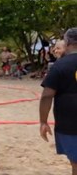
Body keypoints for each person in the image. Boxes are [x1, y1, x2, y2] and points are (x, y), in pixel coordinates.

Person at [39, 27, 77, 175]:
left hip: (69, 123)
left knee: (75, 163)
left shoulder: (59, 66)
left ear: (67, 42)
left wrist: (43, 121)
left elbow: (47, 95)